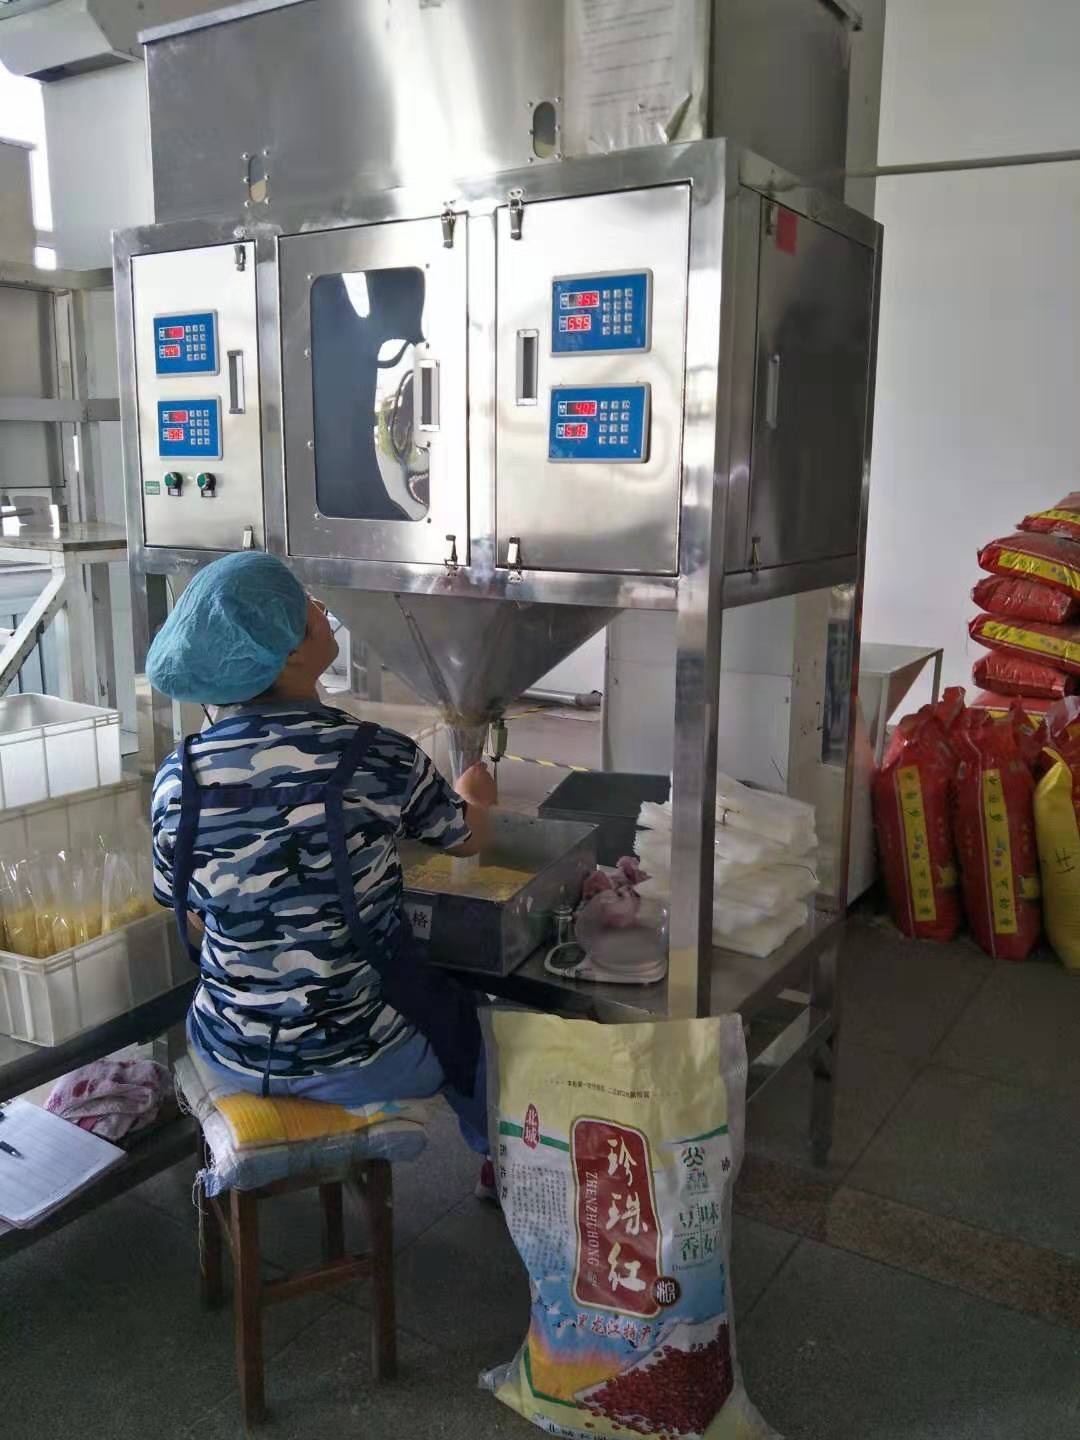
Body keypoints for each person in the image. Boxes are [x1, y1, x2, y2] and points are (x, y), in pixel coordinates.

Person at [146, 551, 497, 1171]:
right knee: (481, 1030)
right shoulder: (376, 756)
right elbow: (466, 840)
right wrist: (479, 790)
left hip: (230, 1048)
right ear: (287, 656)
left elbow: (188, 912)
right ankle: (499, 1161)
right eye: (305, 608)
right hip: (360, 1057)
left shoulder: (179, 778)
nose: (320, 607)